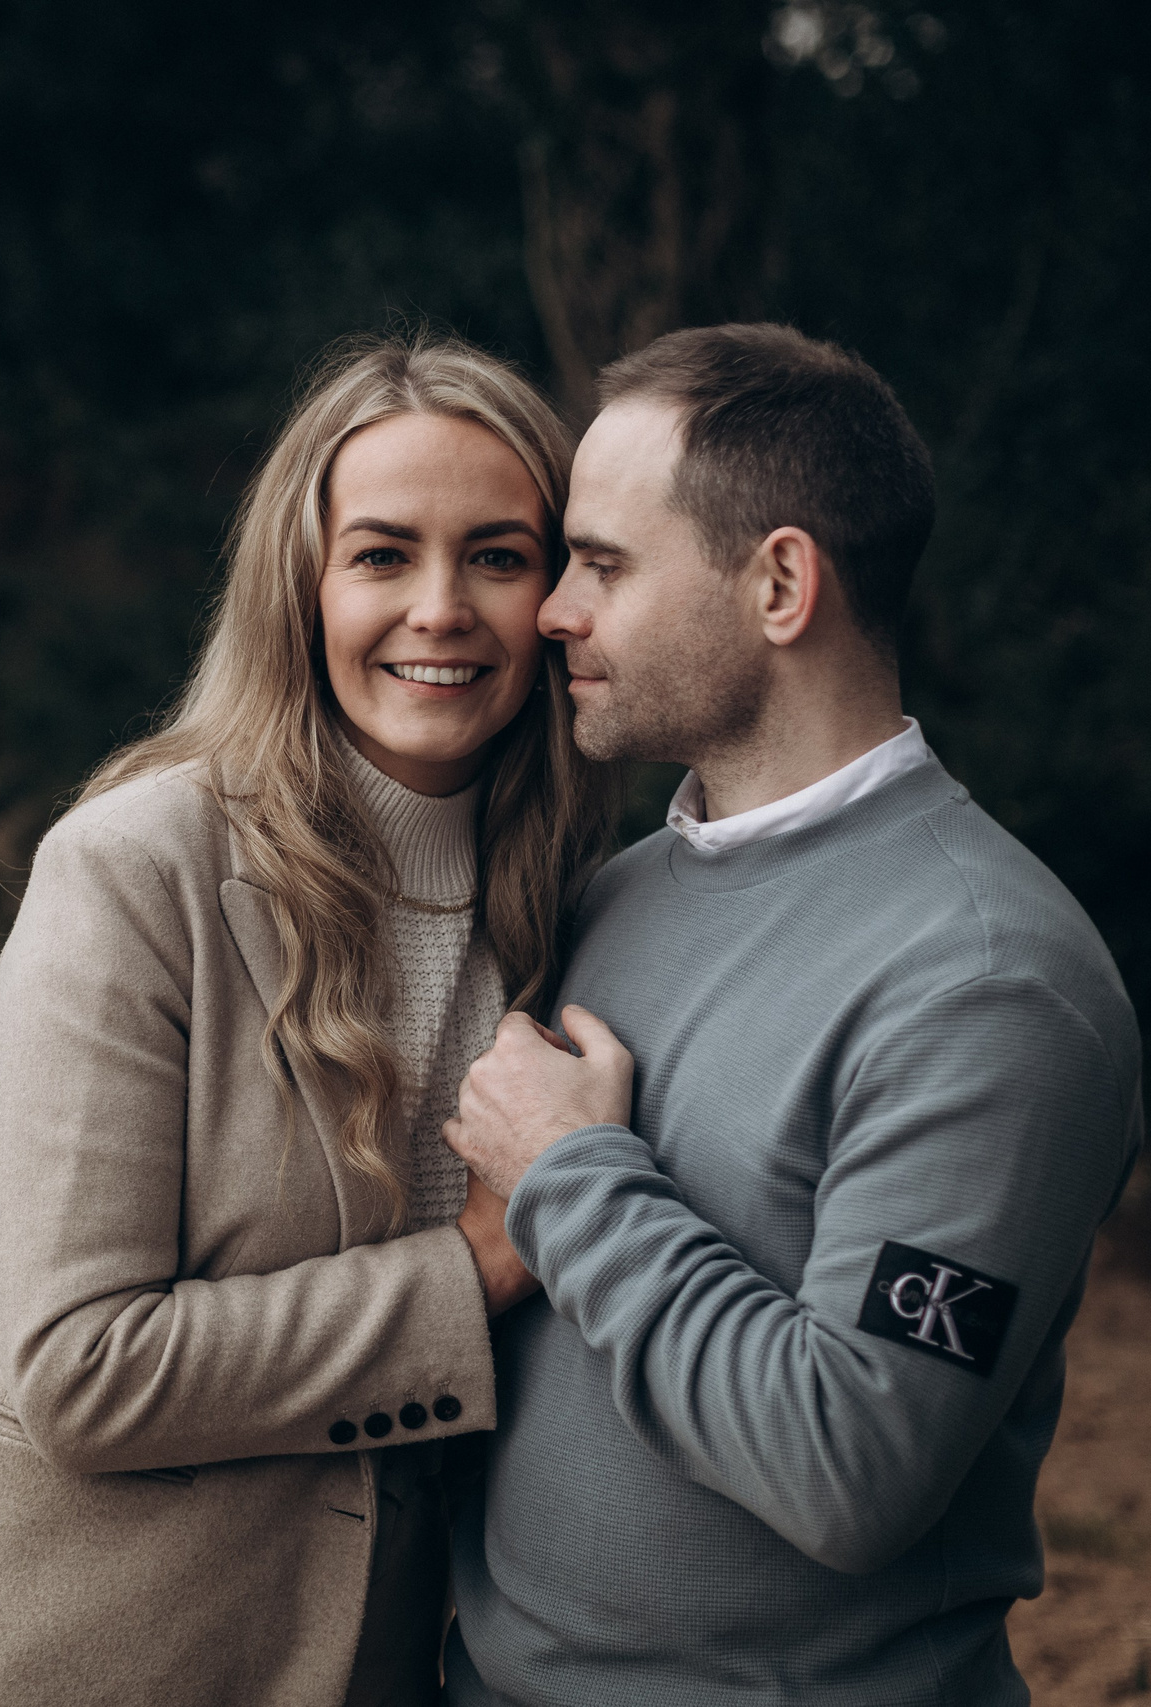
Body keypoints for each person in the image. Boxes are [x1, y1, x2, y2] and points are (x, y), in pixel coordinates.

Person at [0, 332, 615, 1707]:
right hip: (74, 1658)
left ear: (560, 596)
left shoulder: (568, 901)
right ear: (300, 587)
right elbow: (82, 1370)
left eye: (498, 556)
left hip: (370, 1656)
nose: (441, 608)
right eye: (381, 555)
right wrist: (480, 1264)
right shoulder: (139, 869)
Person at [441, 323, 1143, 1705]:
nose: (553, 614)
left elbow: (851, 1467)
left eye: (604, 563)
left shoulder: (991, 983)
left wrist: (572, 1180)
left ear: (779, 583)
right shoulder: (618, 893)